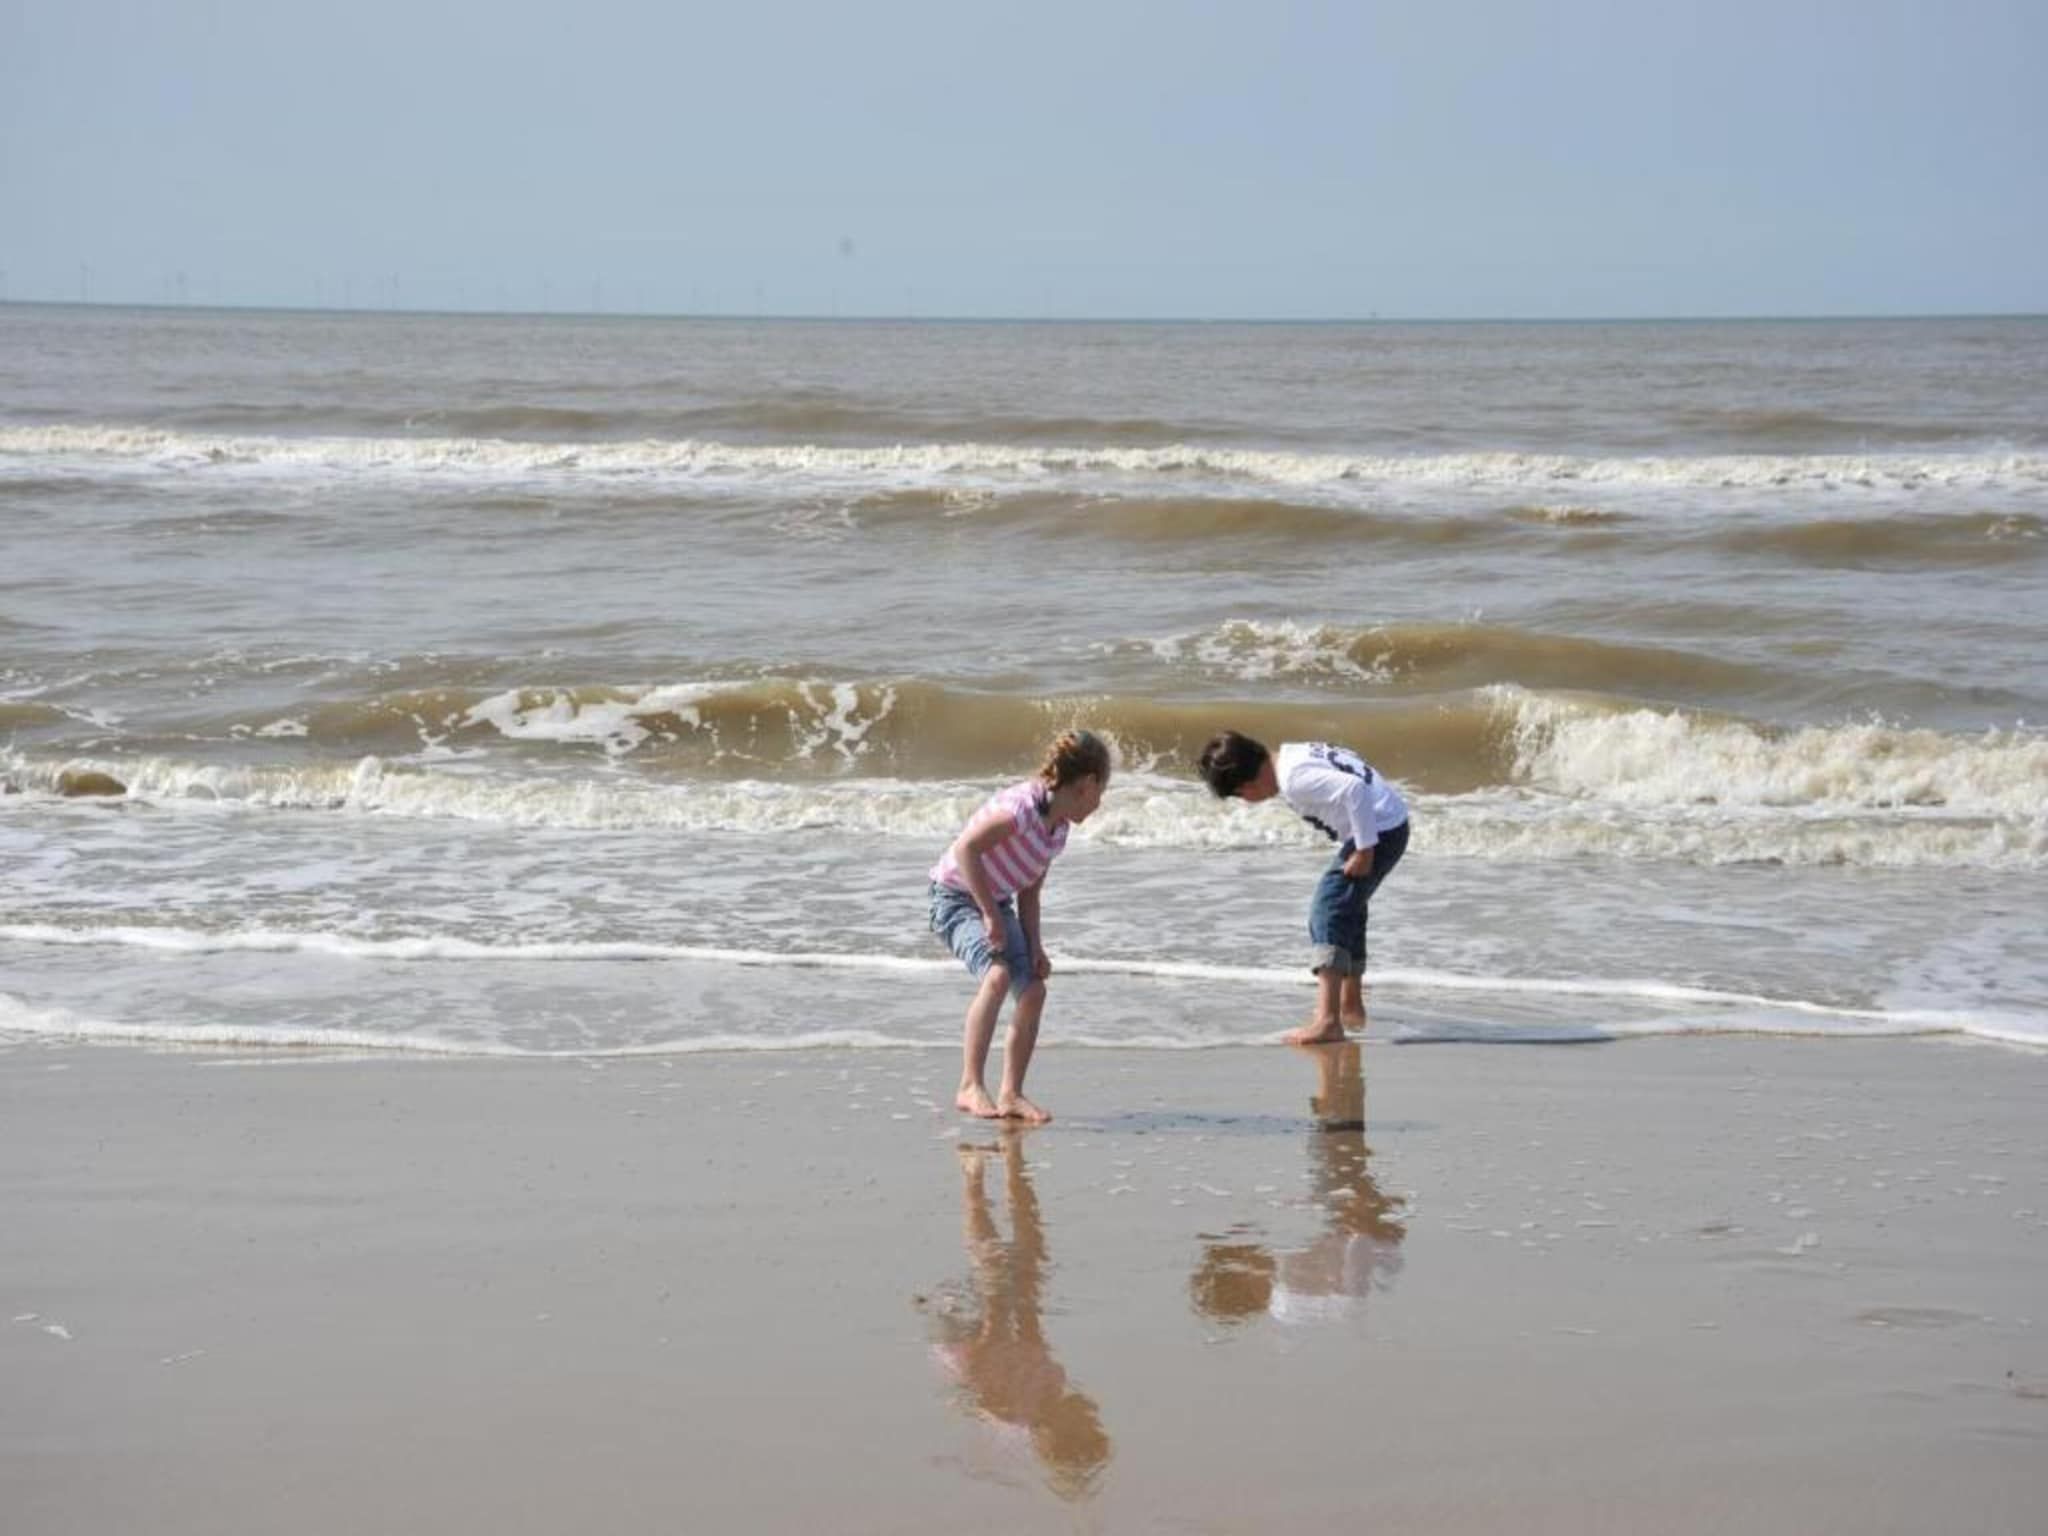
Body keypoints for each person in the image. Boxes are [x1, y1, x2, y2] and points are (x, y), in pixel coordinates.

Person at [929, 729, 1111, 1123]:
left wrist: (1035, 946)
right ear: (1087, 784)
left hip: (996, 902)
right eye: (1102, 792)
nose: (1100, 803)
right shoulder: (1022, 810)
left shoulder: (1058, 829)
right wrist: (989, 915)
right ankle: (969, 1085)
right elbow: (966, 849)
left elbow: (1029, 893)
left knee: (1033, 991)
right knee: (996, 977)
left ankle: (1011, 1094)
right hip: (955, 898)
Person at [1196, 731, 1410, 1044]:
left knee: (1327, 910)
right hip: (1388, 822)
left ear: (1246, 786)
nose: (1247, 801)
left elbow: (1353, 788)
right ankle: (1350, 1005)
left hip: (1379, 832)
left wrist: (1365, 849)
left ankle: (1328, 1021)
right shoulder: (1292, 756)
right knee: (1348, 907)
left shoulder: (1294, 780)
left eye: (1240, 796)